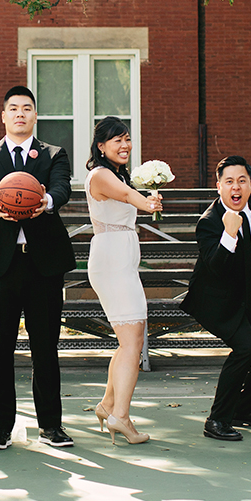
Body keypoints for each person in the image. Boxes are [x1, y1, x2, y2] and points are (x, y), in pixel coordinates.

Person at [0, 86, 77, 450]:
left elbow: (62, 188)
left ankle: (51, 425)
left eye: (26, 108)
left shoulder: (53, 154)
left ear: (35, 115)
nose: (19, 114)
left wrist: (45, 201)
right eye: (13, 108)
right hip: (1, 265)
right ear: (3, 116)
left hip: (44, 263)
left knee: (45, 346)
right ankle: (1, 428)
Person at [179, 156, 251, 441]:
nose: (235, 188)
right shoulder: (209, 223)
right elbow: (217, 267)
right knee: (246, 348)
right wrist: (229, 232)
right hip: (219, 301)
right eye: (229, 182)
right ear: (218, 187)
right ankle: (216, 420)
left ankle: (243, 409)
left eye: (242, 181)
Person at [84, 117, 162, 444]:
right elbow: (129, 196)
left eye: (127, 139)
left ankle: (109, 405)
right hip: (112, 259)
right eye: (117, 140)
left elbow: (129, 193)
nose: (124, 145)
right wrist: (147, 202)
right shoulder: (101, 175)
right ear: (101, 146)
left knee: (128, 340)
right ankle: (122, 417)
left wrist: (149, 199)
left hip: (121, 257)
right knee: (133, 341)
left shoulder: (116, 173)